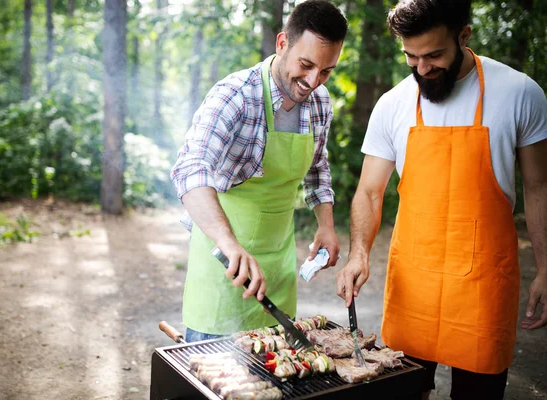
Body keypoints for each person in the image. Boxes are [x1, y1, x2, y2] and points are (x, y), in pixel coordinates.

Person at [336, 0, 547, 399]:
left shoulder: (520, 93)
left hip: (483, 287)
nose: (422, 69)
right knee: (403, 390)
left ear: (463, 36)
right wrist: (358, 253)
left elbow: (539, 187)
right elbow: (369, 190)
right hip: (413, 285)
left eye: (434, 55)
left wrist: (546, 265)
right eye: (411, 58)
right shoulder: (393, 103)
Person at [171, 0, 347, 342]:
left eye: (326, 71)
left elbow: (317, 167)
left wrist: (326, 225)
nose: (313, 81)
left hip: (278, 265)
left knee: (276, 383)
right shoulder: (235, 95)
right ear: (282, 44)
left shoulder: (320, 102)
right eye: (306, 64)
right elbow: (190, 167)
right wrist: (228, 243)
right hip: (224, 262)